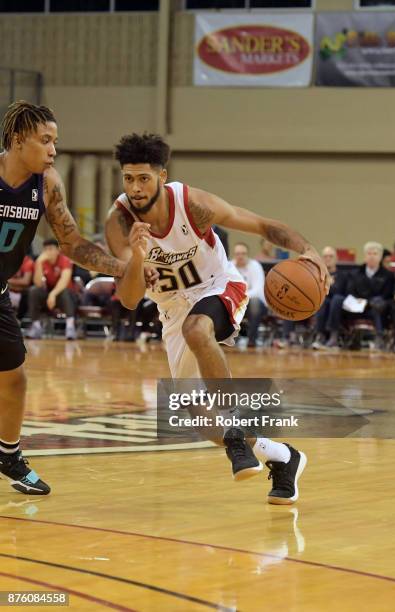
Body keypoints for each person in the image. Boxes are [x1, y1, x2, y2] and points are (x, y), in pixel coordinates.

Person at [105, 133, 330, 505]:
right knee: (198, 414)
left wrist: (307, 250)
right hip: (172, 309)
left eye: (143, 178)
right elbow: (129, 300)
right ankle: (283, 457)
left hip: (218, 286)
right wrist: (136, 257)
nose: (135, 187)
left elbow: (260, 225)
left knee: (199, 329)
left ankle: (235, 422)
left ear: (162, 175)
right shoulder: (120, 224)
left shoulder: (193, 204)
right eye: (128, 179)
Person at [0, 101, 155, 495]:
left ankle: (8, 455)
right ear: (19, 141)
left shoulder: (48, 184)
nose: (53, 150)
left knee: (14, 379)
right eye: (45, 140)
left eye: (55, 141)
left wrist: (122, 268)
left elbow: (71, 242)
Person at [26, 238, 77, 340]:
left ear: (58, 250)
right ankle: (36, 326)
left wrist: (52, 294)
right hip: (49, 295)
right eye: (45, 249)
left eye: (50, 249)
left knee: (64, 292)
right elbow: (38, 283)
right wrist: (39, 263)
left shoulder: (65, 260)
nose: (47, 252)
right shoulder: (41, 262)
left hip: (66, 295)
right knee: (33, 291)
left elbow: (64, 281)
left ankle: (70, 326)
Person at [311, 246, 349, 350]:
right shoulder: (316, 275)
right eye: (325, 256)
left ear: (336, 259)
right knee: (323, 300)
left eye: (331, 256)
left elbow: (340, 292)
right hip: (322, 303)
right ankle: (320, 336)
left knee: (336, 299)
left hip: (339, 306)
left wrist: (328, 286)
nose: (328, 258)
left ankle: (334, 336)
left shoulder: (342, 275)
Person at [232, 242, 267, 347]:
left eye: (243, 253)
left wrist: (239, 297)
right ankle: (228, 338)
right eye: (237, 254)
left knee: (254, 303)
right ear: (234, 255)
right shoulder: (229, 266)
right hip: (234, 303)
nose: (240, 256)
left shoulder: (255, 266)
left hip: (252, 305)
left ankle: (252, 340)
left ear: (247, 254)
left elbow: (258, 291)